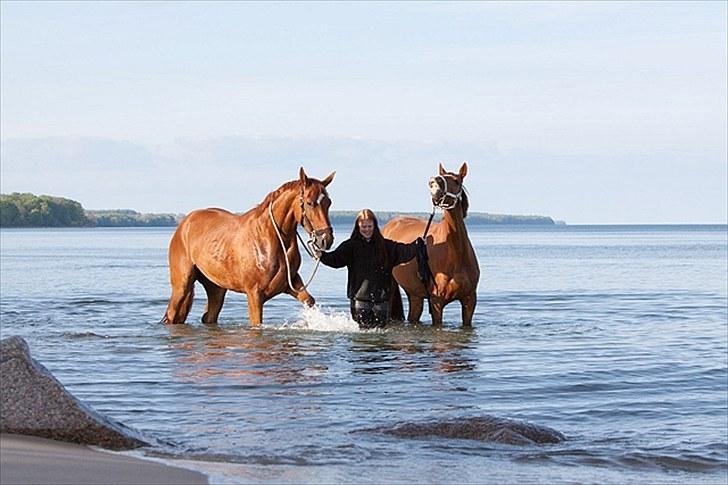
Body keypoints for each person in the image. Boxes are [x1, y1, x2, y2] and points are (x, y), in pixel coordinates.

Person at [315, 208, 424, 328]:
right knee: (364, 333)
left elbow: (404, 252)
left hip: (382, 301)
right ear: (358, 227)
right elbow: (335, 260)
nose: (367, 230)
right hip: (359, 300)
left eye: (369, 226)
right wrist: (322, 256)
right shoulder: (350, 246)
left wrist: (418, 245)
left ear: (374, 226)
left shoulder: (386, 246)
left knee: (380, 333)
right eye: (364, 227)